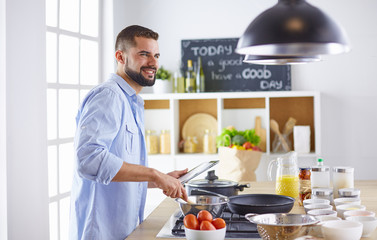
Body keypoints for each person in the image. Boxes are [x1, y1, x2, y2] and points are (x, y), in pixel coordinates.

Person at [69, 25, 188, 240]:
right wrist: (153, 174)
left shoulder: (130, 101)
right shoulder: (109, 96)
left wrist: (159, 179)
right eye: (144, 54)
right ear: (120, 57)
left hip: (123, 231)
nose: (153, 62)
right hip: (100, 233)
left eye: (156, 55)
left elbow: (116, 169)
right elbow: (89, 160)